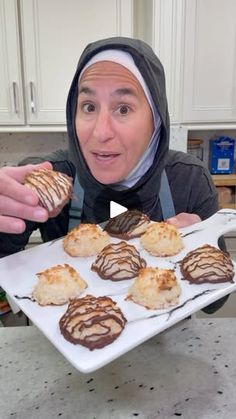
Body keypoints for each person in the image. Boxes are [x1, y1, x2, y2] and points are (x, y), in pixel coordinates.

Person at [0, 37, 227, 312]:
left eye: (123, 109)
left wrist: (198, 244)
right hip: (73, 347)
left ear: (156, 119)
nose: (100, 132)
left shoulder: (188, 179)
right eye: (89, 107)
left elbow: (216, 304)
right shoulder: (53, 178)